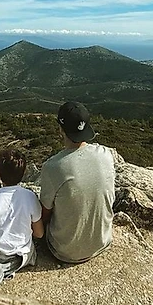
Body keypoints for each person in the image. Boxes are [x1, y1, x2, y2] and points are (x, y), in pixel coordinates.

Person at [39, 101, 115, 263]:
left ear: (61, 129)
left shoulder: (53, 167)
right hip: (102, 241)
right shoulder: (106, 154)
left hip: (65, 252)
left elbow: (44, 214)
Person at [0, 148, 44, 288]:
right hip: (24, 253)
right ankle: (15, 265)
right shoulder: (30, 196)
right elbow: (39, 233)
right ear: (23, 173)